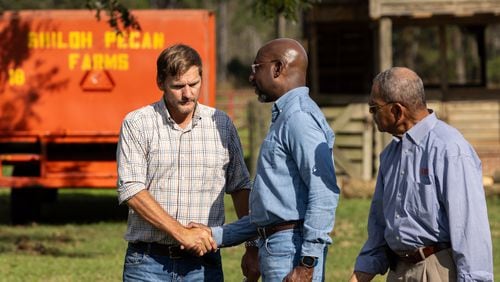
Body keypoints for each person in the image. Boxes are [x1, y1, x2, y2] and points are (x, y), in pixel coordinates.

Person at [201, 38, 341, 282]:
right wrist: (213, 235)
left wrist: (307, 264)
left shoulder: (299, 119)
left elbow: (324, 194)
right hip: (278, 248)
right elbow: (271, 213)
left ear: (277, 68)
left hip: (292, 253)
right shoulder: (285, 117)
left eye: (256, 68)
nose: (251, 77)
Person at [116, 44, 256, 281]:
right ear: (161, 82)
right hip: (148, 263)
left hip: (204, 265)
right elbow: (132, 189)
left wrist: (253, 247)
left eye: (194, 84)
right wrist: (181, 233)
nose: (188, 94)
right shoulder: (137, 123)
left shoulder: (221, 124)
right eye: (178, 86)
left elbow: (240, 186)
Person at [349, 67, 493, 282]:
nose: (371, 115)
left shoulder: (449, 149)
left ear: (397, 111)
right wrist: (359, 276)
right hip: (398, 271)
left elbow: (470, 230)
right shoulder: (390, 155)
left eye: (374, 108)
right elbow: (380, 227)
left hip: (437, 271)